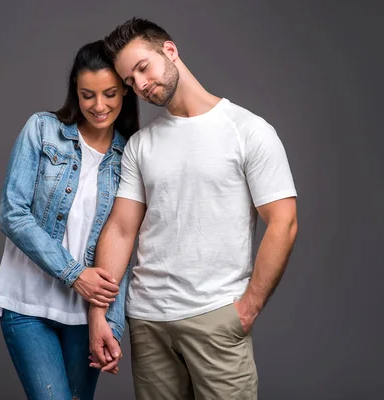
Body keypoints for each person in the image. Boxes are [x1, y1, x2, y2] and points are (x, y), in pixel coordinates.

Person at [87, 18, 299, 399]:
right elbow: (121, 229)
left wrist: (246, 309)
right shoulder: (141, 145)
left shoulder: (247, 130)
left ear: (169, 51)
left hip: (215, 318)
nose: (141, 85)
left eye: (142, 68)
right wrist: (98, 314)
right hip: (148, 322)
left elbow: (282, 223)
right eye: (131, 82)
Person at [0, 40, 139, 400]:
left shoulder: (130, 155)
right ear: (75, 88)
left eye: (110, 94)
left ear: (125, 93)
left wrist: (110, 324)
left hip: (86, 316)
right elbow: (13, 213)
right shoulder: (42, 130)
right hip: (26, 305)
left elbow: (120, 241)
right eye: (88, 94)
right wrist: (74, 274)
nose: (99, 106)